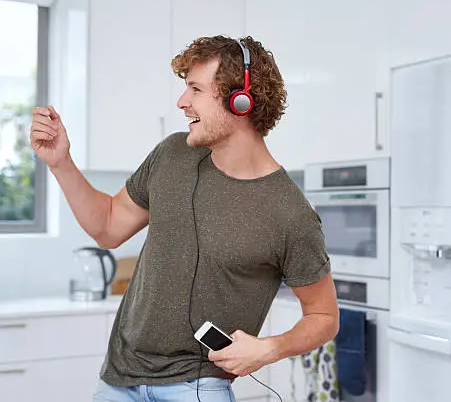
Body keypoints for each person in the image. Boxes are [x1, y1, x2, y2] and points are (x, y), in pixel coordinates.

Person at [29, 35, 339, 402]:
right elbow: (108, 227)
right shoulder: (172, 154)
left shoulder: (289, 213)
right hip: (118, 380)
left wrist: (269, 348)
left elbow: (324, 316)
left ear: (241, 101)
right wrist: (61, 163)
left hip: (198, 388)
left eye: (195, 89)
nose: (182, 102)